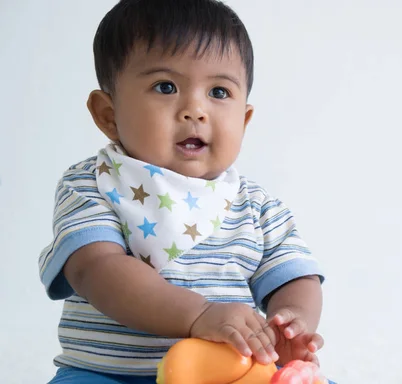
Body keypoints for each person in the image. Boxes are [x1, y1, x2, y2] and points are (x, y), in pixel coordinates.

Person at [38, 1, 329, 382]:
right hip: (111, 374)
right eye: (166, 86)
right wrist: (198, 314)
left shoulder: (256, 206)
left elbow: (294, 277)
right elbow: (97, 269)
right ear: (108, 114)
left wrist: (293, 322)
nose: (195, 109)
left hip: (226, 374)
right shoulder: (94, 184)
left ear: (244, 119)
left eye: (219, 92)